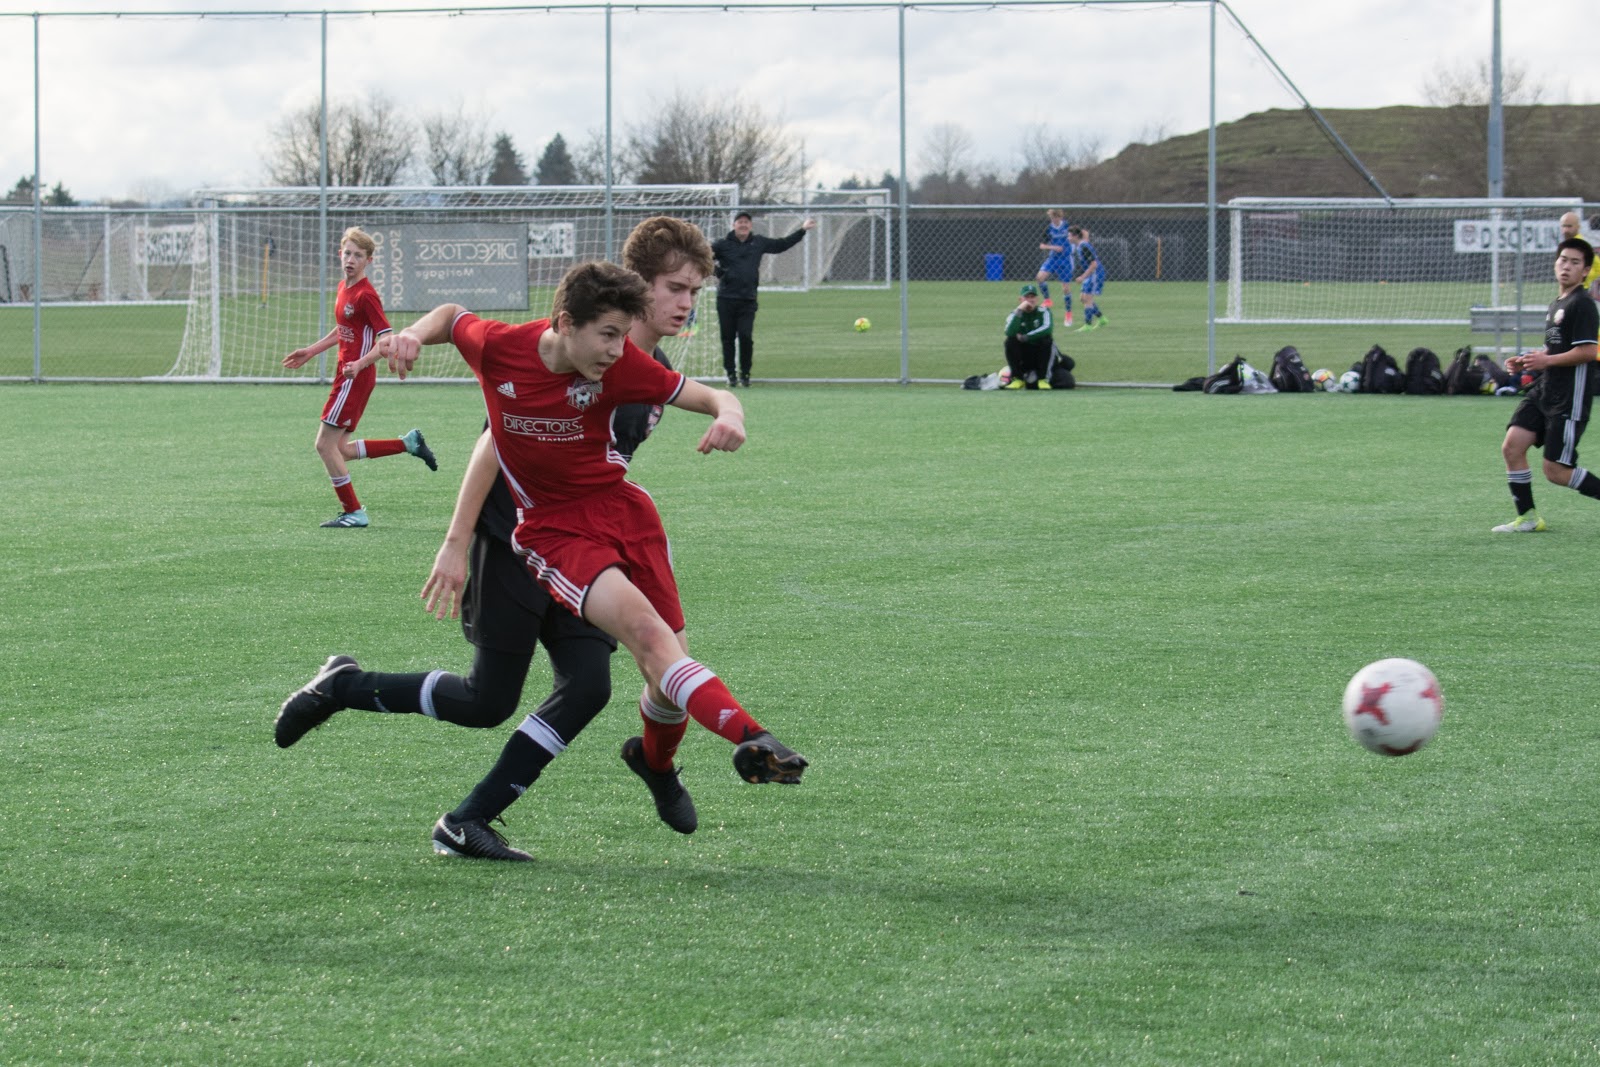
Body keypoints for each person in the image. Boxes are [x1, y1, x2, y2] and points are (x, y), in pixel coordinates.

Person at [274, 220, 806, 862]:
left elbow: (703, 400)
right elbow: (491, 442)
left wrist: (731, 412)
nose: (686, 303)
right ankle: (345, 686)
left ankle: (486, 814)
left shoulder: (639, 369)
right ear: (639, 288)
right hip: (516, 536)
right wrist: (456, 540)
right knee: (487, 701)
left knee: (599, 682)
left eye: (695, 291)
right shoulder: (536, 350)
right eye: (675, 288)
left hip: (591, 537)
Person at [281, 226, 437, 528]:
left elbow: (387, 340)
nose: (351, 260)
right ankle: (408, 444)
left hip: (355, 377)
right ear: (340, 254)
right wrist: (311, 351)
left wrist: (361, 363)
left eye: (358, 255)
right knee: (340, 449)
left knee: (324, 445)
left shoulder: (366, 295)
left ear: (369, 261)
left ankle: (353, 512)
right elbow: (343, 330)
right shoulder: (344, 287)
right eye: (348, 253)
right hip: (348, 375)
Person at [1492, 236, 1600, 533]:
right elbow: (1554, 349)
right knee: (1512, 446)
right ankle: (1528, 518)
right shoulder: (1557, 304)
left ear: (1585, 271)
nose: (1567, 266)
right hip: (1545, 390)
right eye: (1563, 260)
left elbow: (1588, 352)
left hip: (1569, 396)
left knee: (1556, 471)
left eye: (1575, 262)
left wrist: (1547, 361)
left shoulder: (1583, 304)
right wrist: (1528, 361)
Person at [711, 211, 816, 387]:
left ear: (750, 225)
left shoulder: (758, 242)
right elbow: (703, 257)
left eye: (746, 222)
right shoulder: (722, 245)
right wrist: (719, 273)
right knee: (727, 338)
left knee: (745, 337)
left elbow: (781, 245)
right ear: (734, 225)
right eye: (740, 222)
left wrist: (802, 230)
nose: (743, 225)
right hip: (726, 298)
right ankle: (731, 374)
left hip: (748, 299)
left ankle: (745, 374)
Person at [1002, 283, 1055, 390]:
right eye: (1026, 297)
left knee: (1047, 340)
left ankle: (1043, 379)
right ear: (1020, 300)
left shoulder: (1044, 311)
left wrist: (1026, 337)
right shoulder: (1014, 314)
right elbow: (1009, 332)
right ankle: (1017, 379)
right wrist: (1019, 311)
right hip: (1024, 353)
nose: (1030, 300)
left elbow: (1047, 328)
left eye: (1032, 297)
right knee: (1010, 341)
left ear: (1037, 299)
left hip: (1039, 351)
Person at [1034, 208, 1074, 323]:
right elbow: (1042, 245)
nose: (1054, 220)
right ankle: (1047, 300)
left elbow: (1078, 235)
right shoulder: (1049, 229)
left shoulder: (1067, 226)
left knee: (1066, 288)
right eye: (1052, 218)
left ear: (1060, 217)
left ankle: (1068, 314)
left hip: (1065, 260)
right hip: (1053, 259)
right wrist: (1053, 247)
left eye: (1056, 218)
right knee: (1040, 277)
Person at [1069, 225, 1108, 332]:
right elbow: (1085, 234)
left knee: (1088, 298)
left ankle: (1088, 325)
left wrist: (1082, 277)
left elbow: (1094, 264)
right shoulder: (1080, 245)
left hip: (1095, 273)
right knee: (1083, 298)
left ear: (1076, 236)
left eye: (1070, 236)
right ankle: (1102, 319)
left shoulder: (1084, 246)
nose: (1068, 238)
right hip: (1090, 274)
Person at [1559, 211, 1600, 299]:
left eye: (1569, 226)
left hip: (1579, 291)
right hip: (1568, 291)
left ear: (1578, 227)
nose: (1566, 230)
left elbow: (1598, 267)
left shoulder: (1581, 245)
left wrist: (1583, 277)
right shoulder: (1567, 244)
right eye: (1564, 226)